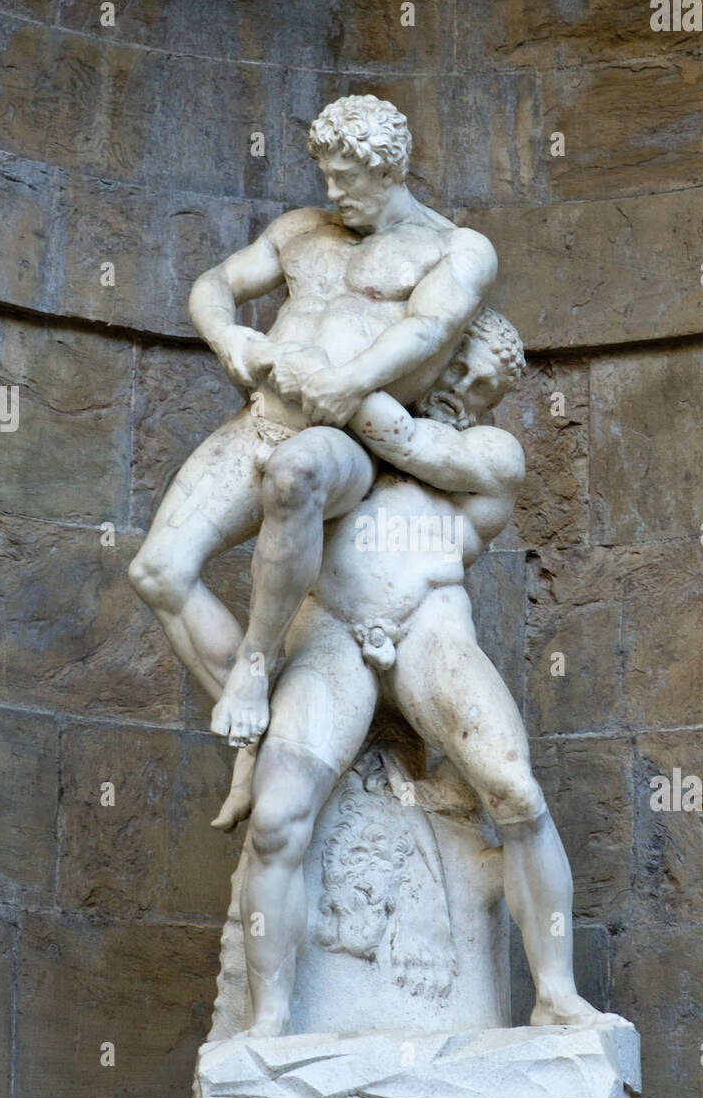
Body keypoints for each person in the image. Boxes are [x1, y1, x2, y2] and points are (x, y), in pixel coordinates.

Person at [215, 313, 615, 1038]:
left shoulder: (489, 452)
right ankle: (269, 1025)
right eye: (456, 367)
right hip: (333, 631)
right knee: (276, 821)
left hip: (430, 630)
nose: (461, 390)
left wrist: (316, 366)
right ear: (435, 352)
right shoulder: (335, 451)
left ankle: (556, 994)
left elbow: (402, 437)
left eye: (482, 387)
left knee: (517, 792)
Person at [129, 95, 497, 744]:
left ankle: (255, 663)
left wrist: (349, 381)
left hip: (346, 440)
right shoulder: (302, 228)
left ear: (388, 171)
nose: (332, 192)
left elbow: (431, 325)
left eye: (346, 180)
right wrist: (228, 338)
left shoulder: (452, 248)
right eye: (325, 175)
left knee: (295, 472)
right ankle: (272, 747)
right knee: (158, 571)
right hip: (262, 419)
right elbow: (216, 282)